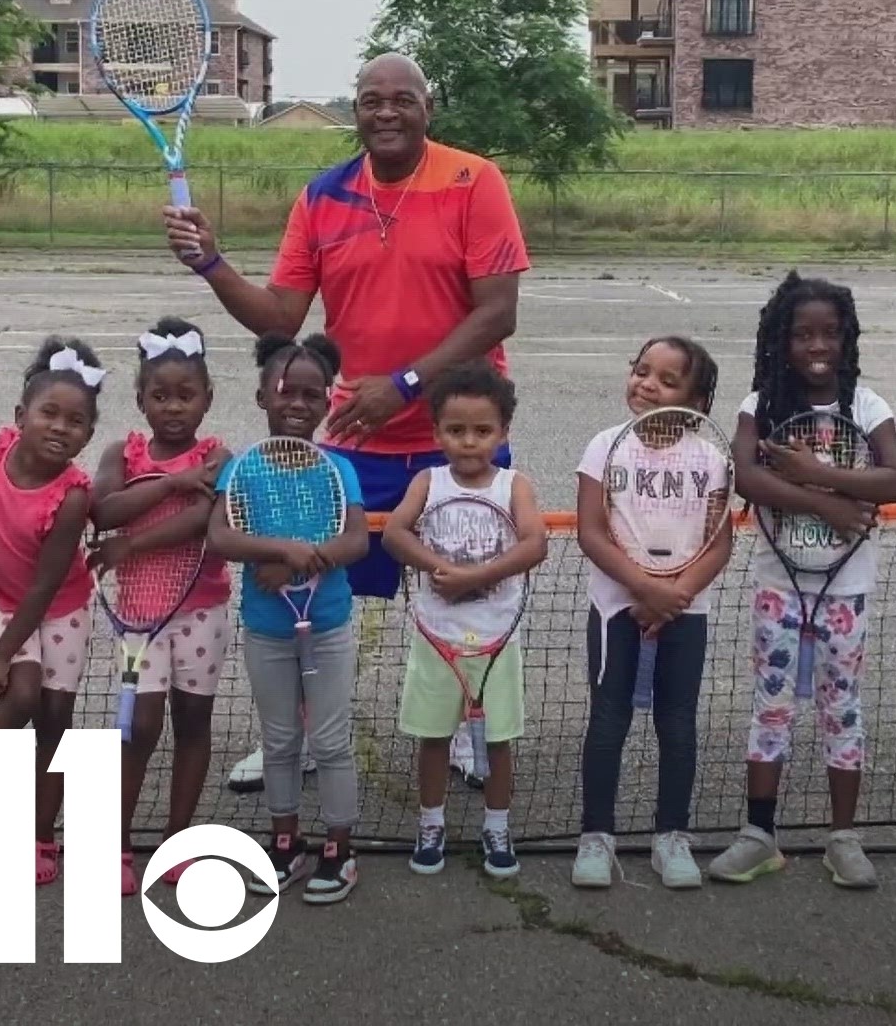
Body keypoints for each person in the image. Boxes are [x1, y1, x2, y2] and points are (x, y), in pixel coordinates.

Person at [163, 52, 528, 792]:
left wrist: (406, 384)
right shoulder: (324, 196)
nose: (385, 112)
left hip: (455, 443)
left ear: (429, 107)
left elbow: (498, 310)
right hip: (354, 445)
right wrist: (212, 263)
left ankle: (465, 729)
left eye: (402, 99)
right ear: (353, 110)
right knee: (305, 596)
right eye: (369, 100)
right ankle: (289, 736)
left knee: (464, 592)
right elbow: (281, 317)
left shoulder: (473, 181)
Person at [717, 274, 896, 889]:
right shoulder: (762, 405)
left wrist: (817, 474)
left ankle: (843, 839)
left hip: (846, 592)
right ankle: (759, 836)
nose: (817, 345)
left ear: (847, 338)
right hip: (779, 585)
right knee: (771, 709)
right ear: (782, 340)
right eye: (803, 334)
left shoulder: (867, 406)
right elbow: (746, 477)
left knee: (841, 710)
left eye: (830, 333)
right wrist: (823, 500)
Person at [0, 338, 104, 886]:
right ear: (20, 416)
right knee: (23, 696)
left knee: (55, 722)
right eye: (48, 413)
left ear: (89, 434)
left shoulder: (74, 497)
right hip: (3, 600)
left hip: (59, 607)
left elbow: (46, 586)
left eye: (75, 421)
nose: (60, 427)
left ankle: (39, 834)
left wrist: (2, 653)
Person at [208, 334, 369, 906]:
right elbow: (221, 536)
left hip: (326, 627)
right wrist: (280, 552)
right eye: (285, 392)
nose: (297, 404)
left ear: (327, 402)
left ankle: (340, 850)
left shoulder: (338, 468)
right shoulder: (243, 470)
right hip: (267, 630)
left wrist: (307, 560)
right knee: (279, 742)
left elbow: (356, 541)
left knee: (329, 742)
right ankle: (286, 844)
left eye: (311, 394)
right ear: (261, 397)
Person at [571, 336, 733, 891]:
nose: (648, 385)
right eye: (642, 371)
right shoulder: (603, 446)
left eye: (667, 380)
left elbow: (718, 544)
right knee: (608, 720)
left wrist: (676, 595)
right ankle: (596, 837)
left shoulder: (711, 458)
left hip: (685, 613)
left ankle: (671, 837)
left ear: (697, 401)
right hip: (617, 609)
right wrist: (644, 588)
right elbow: (591, 532)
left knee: (678, 724)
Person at [381, 363, 547, 880]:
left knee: (499, 743)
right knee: (432, 739)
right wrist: (439, 568)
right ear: (437, 433)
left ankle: (496, 827)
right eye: (456, 430)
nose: (469, 442)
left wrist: (476, 576)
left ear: (503, 433)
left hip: (496, 639)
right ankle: (431, 824)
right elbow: (394, 534)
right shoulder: (427, 481)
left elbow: (535, 544)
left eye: (482, 431)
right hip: (438, 640)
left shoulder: (514, 485)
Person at [90, 317, 231, 897]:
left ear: (207, 398)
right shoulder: (121, 451)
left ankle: (178, 844)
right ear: (140, 399)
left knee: (192, 725)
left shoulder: (219, 455)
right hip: (140, 621)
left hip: (203, 613)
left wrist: (134, 543)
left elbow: (205, 519)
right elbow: (104, 509)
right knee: (138, 728)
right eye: (160, 395)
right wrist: (173, 483)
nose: (174, 407)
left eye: (186, 395)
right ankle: (117, 845)